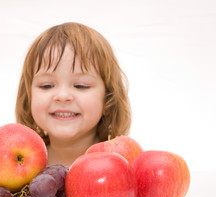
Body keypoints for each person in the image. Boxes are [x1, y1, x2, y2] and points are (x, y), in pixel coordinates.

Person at [15, 22, 131, 166]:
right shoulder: (20, 165)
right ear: (28, 97)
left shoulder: (122, 163)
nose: (62, 96)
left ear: (108, 99)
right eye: (47, 86)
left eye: (81, 86)